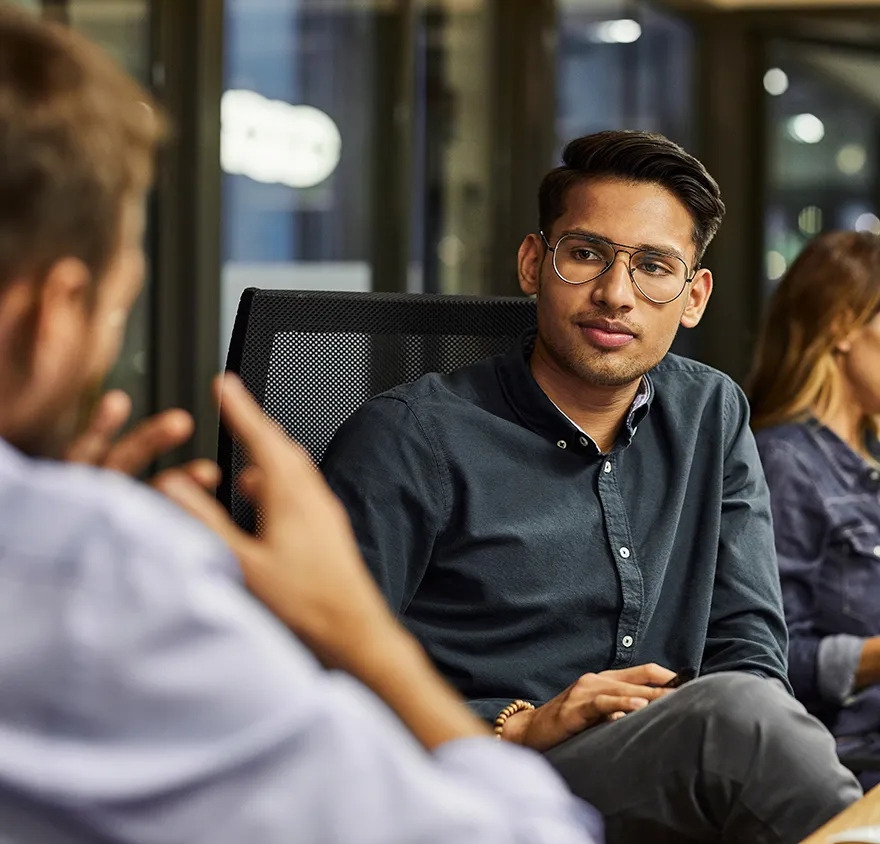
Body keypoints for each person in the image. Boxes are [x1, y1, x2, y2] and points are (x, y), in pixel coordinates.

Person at [0, 7, 608, 842]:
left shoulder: (77, 568)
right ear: (53, 312)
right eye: (118, 303)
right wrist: (356, 629)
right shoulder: (97, 571)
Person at [320, 130, 862, 843]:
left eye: (654, 267)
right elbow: (318, 684)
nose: (615, 295)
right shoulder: (411, 437)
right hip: (477, 783)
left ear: (692, 296)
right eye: (585, 255)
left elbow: (747, 644)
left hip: (674, 773)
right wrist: (515, 728)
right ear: (532, 264)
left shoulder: (710, 411)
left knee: (743, 711)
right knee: (738, 722)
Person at [749, 230, 880, 790]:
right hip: (849, 761)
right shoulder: (783, 462)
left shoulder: (867, 458)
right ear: (843, 327)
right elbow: (769, 662)